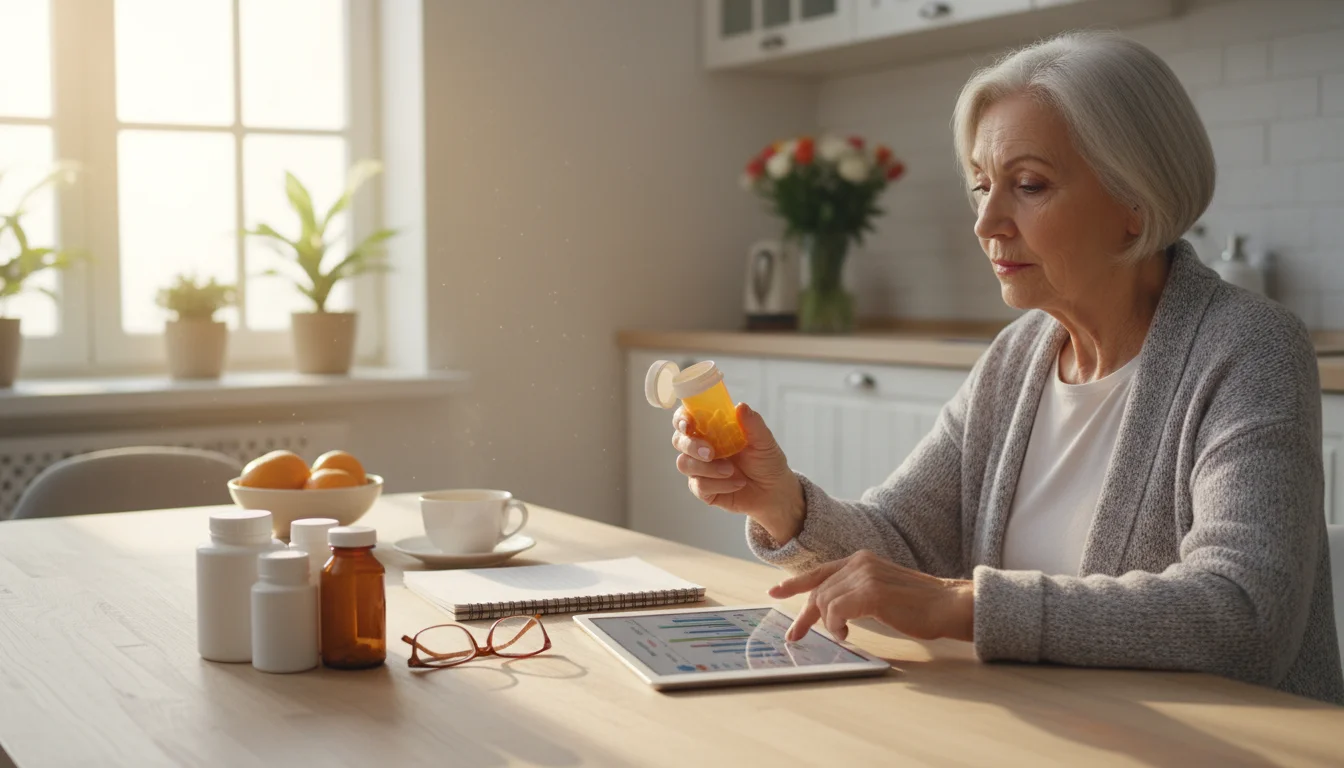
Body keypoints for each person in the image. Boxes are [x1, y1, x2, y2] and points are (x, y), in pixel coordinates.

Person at [670, 32, 1344, 704]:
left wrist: (964, 605)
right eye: (983, 186)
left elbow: (1245, 615)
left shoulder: (1249, 348)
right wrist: (783, 503)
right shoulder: (1018, 357)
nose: (987, 221)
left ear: (1134, 201)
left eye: (1028, 185)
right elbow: (905, 541)